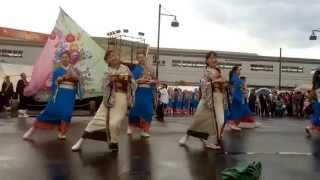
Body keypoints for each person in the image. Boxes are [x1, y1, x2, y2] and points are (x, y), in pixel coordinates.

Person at [71, 48, 136, 152]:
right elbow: (103, 87)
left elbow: (134, 84)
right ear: (107, 61)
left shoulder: (126, 68)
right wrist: (109, 81)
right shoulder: (107, 71)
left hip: (121, 99)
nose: (113, 57)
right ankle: (80, 141)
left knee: (114, 123)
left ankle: (113, 143)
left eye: (114, 55)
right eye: (110, 57)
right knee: (95, 121)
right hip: (108, 99)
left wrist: (129, 79)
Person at [22, 51, 80, 140]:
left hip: (69, 95)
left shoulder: (74, 69)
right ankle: (32, 129)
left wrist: (72, 74)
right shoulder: (57, 71)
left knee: (67, 114)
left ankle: (62, 132)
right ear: (60, 59)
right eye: (63, 57)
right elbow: (56, 82)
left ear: (69, 59)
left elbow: (77, 79)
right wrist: (65, 77)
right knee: (49, 112)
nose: (65, 59)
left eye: (67, 57)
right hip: (59, 94)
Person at [178, 51, 225, 149]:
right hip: (207, 98)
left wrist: (218, 81)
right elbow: (207, 81)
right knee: (198, 120)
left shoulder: (218, 69)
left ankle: (209, 140)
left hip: (218, 97)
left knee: (219, 121)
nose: (214, 59)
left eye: (215, 57)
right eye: (211, 58)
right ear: (207, 60)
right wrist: (217, 80)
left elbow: (224, 80)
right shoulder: (206, 70)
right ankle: (187, 136)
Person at [128, 50, 156, 138]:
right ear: (137, 59)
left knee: (148, 111)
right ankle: (130, 125)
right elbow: (131, 81)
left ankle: (145, 130)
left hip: (148, 92)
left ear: (145, 57)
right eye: (139, 57)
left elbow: (155, 80)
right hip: (138, 91)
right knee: (135, 111)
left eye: (142, 57)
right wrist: (137, 81)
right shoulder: (135, 69)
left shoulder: (151, 69)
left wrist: (153, 82)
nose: (141, 59)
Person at [226, 66, 260, 130]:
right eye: (238, 70)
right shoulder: (234, 78)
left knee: (243, 110)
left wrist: (244, 90)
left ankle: (247, 122)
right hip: (236, 97)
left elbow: (240, 88)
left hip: (240, 97)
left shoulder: (236, 78)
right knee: (236, 111)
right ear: (235, 71)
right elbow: (232, 89)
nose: (240, 71)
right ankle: (232, 124)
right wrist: (233, 96)